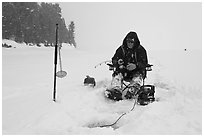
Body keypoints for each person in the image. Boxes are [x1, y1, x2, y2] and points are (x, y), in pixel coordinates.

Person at [110, 31, 148, 99]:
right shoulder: (121, 49)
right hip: (124, 71)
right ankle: (116, 91)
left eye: (131, 42)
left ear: (135, 42)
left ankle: (132, 91)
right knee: (117, 75)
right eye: (128, 41)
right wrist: (118, 61)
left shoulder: (141, 50)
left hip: (137, 72)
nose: (129, 43)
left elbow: (144, 63)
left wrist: (136, 66)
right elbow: (114, 59)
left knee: (138, 77)